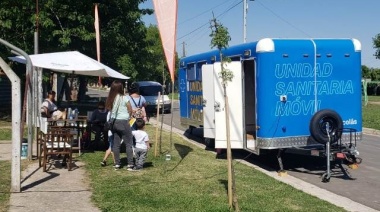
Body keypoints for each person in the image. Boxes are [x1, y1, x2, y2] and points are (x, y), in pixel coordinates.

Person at [105, 80, 134, 170]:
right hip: (124, 121)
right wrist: (129, 116)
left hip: (114, 122)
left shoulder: (111, 98)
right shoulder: (124, 98)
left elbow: (109, 109)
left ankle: (117, 163)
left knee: (116, 144)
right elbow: (130, 109)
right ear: (121, 88)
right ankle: (130, 164)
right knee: (129, 143)